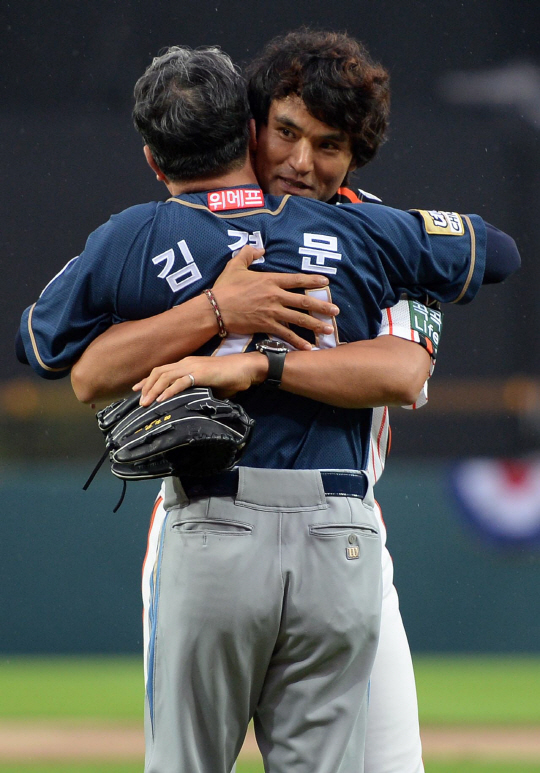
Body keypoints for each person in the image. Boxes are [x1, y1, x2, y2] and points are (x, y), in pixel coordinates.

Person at [18, 45, 519, 773]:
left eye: (331, 145)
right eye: (287, 131)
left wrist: (259, 359)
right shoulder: (230, 228)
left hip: (345, 533)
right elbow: (91, 370)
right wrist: (216, 308)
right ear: (249, 126)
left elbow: (404, 372)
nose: (302, 160)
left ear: (358, 157)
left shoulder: (378, 230)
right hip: (220, 512)